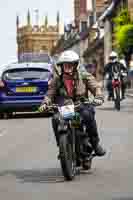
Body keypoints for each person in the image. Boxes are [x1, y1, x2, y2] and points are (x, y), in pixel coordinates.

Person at [39, 50, 106, 157]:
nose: (68, 66)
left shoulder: (84, 76)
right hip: (64, 107)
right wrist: (45, 103)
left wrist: (98, 97)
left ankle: (95, 144)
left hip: (81, 105)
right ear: (61, 66)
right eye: (65, 64)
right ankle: (62, 147)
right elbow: (49, 94)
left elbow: (95, 87)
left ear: (75, 65)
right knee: (55, 119)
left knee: (88, 115)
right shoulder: (57, 80)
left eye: (70, 64)